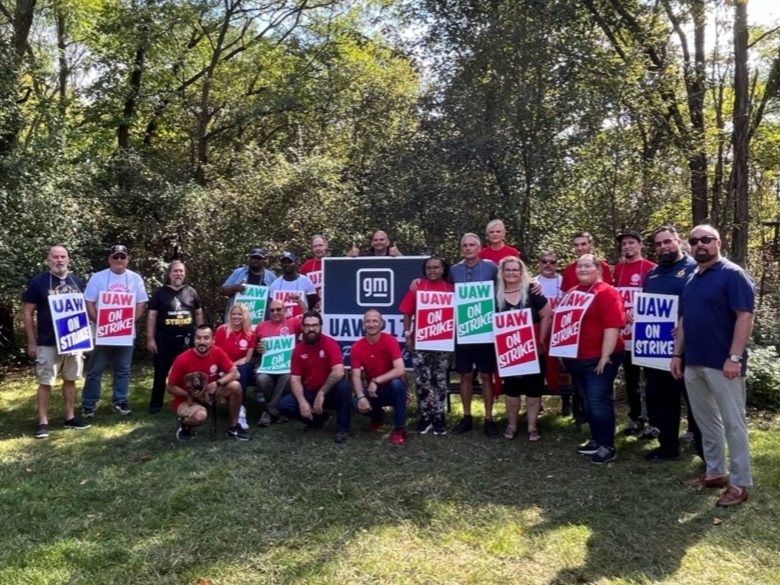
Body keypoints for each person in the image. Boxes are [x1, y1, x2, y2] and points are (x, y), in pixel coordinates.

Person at [672, 225, 754, 507]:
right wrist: (676, 355)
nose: (700, 245)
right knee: (707, 422)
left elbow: (745, 316)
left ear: (718, 242)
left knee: (734, 424)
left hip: (724, 364)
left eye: (705, 240)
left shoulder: (733, 274)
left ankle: (740, 484)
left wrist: (734, 357)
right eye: (694, 241)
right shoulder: (693, 277)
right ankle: (715, 473)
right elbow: (684, 320)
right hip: (694, 362)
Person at [642, 226, 703, 462]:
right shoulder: (653, 273)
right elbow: (647, 304)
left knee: (696, 399)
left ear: (678, 241)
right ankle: (668, 446)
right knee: (663, 399)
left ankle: (703, 446)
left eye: (667, 241)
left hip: (690, 347)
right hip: (657, 349)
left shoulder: (694, 268)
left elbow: (704, 303)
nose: (663, 247)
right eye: (658, 244)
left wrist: (688, 323)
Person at [560, 253, 626, 464]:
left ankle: (607, 446)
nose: (582, 269)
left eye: (587, 266)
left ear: (599, 270)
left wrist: (605, 356)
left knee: (598, 402)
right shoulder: (572, 292)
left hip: (599, 358)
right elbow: (565, 323)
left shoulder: (607, 292)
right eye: (579, 266)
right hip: (577, 358)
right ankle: (597, 440)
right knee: (588, 401)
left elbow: (612, 325)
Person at [22, 245, 91, 438]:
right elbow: (27, 313)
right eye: (55, 257)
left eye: (63, 257)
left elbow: (83, 310)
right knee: (46, 382)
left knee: (71, 379)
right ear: (48, 260)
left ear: (68, 259)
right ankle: (43, 422)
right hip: (47, 341)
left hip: (74, 341)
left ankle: (69, 417)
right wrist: (31, 341)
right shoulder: (38, 282)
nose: (59, 260)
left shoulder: (76, 281)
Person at [81, 244, 148, 418]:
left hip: (125, 333)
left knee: (123, 369)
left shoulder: (135, 279)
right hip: (101, 332)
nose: (119, 260)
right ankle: (89, 404)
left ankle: (119, 401)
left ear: (128, 259)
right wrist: (100, 321)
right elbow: (88, 302)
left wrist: (127, 322)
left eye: (122, 257)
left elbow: (141, 304)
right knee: (96, 369)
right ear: (110, 259)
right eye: (116, 257)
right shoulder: (98, 278)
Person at [449, 233, 500, 437]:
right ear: (461, 248)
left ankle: (488, 418)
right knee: (465, 375)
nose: (468, 248)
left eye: (472, 245)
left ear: (479, 247)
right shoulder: (453, 270)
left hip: (486, 330)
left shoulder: (492, 267)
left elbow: (509, 282)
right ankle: (467, 416)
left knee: (487, 375)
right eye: (465, 245)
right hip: (463, 331)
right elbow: (441, 289)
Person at [496, 257, 552, 441]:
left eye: (515, 270)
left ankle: (532, 427)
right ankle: (511, 426)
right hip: (508, 351)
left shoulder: (532, 291)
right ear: (502, 273)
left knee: (533, 389)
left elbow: (546, 314)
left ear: (521, 272)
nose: (511, 273)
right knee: (511, 390)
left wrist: (540, 341)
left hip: (533, 349)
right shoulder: (494, 293)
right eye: (508, 270)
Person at [277, 311, 353, 443]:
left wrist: (322, 393)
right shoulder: (298, 350)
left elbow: (339, 371)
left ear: (321, 326)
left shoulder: (330, 343)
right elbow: (295, 379)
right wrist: (302, 402)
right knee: (284, 405)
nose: (311, 329)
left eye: (315, 325)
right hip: (310, 391)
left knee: (344, 386)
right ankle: (318, 420)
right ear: (303, 327)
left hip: (329, 393)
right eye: (307, 325)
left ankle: (342, 429)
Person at [167, 324, 251, 441]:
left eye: (206, 338)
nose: (202, 342)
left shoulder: (217, 352)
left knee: (235, 386)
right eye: (199, 338)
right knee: (200, 416)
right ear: (194, 339)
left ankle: (234, 427)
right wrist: (189, 395)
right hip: (187, 399)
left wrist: (217, 383)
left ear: (213, 340)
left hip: (209, 393)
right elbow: (170, 387)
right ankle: (185, 424)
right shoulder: (182, 359)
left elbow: (235, 373)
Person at [399, 256, 453, 435]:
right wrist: (407, 336)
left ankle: (439, 417)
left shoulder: (451, 289)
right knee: (422, 382)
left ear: (442, 269)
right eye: (429, 268)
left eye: (436, 267)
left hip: (443, 343)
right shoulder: (418, 287)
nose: (432, 270)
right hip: (420, 342)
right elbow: (406, 313)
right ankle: (424, 417)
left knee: (440, 382)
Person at [613, 230, 656, 437]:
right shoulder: (619, 268)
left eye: (631, 243)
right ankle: (636, 418)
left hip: (646, 334)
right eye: (624, 244)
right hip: (625, 334)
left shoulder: (651, 269)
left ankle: (654, 422)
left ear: (640, 245)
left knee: (651, 380)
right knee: (631, 380)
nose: (627, 247)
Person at [146, 261, 204, 414]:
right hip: (164, 338)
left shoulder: (191, 292)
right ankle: (156, 404)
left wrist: (201, 336)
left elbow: (198, 313)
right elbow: (152, 316)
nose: (179, 274)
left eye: (181, 271)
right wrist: (150, 338)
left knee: (191, 372)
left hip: (187, 338)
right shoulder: (160, 293)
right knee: (161, 371)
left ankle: (193, 399)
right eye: (176, 271)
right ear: (170, 274)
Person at [350, 309, 408, 445]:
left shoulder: (390, 340)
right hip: (374, 392)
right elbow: (356, 376)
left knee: (397, 384)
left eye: (375, 321)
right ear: (363, 324)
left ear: (381, 323)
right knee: (354, 402)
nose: (371, 324)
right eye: (368, 321)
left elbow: (400, 369)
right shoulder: (356, 347)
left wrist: (376, 380)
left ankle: (399, 428)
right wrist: (360, 396)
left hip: (391, 389)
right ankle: (378, 416)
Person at [253, 298, 305, 426]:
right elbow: (254, 348)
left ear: (285, 310)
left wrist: (301, 303)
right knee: (262, 379)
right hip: (268, 366)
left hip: (287, 366)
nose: (275, 312)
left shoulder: (293, 323)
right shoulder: (261, 326)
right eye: (272, 310)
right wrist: (258, 348)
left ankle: (269, 411)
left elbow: (308, 320)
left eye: (278, 309)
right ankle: (278, 411)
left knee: (288, 377)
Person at [214, 303, 255, 429]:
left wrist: (232, 367)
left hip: (242, 366)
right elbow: (217, 353)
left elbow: (247, 357)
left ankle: (240, 411)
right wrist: (228, 367)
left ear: (245, 316)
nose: (236, 317)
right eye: (234, 314)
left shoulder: (250, 332)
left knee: (242, 369)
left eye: (239, 314)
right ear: (230, 315)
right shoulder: (222, 330)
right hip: (223, 366)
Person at [536, 250, 566, 414]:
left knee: (562, 367)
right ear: (539, 264)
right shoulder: (533, 283)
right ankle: (537, 402)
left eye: (552, 262)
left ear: (557, 265)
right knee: (538, 368)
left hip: (559, 331)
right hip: (540, 332)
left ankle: (565, 402)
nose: (548, 265)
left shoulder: (563, 283)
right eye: (544, 261)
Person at [221, 247, 277, 321]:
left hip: (262, 321)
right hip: (238, 321)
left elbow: (276, 298)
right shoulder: (238, 272)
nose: (256, 260)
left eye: (259, 258)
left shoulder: (271, 276)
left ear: (264, 261)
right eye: (254, 258)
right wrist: (235, 287)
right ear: (250, 259)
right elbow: (223, 290)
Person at [267, 251, 317, 318]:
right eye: (284, 263)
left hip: (301, 323)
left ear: (295, 263)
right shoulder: (275, 284)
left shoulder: (306, 281)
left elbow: (311, 306)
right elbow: (271, 308)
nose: (287, 264)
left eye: (290, 262)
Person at [300, 235, 328, 302]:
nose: (318, 248)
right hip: (312, 308)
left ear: (326, 246)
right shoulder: (305, 267)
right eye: (315, 246)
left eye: (320, 245)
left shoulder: (333, 264)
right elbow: (302, 289)